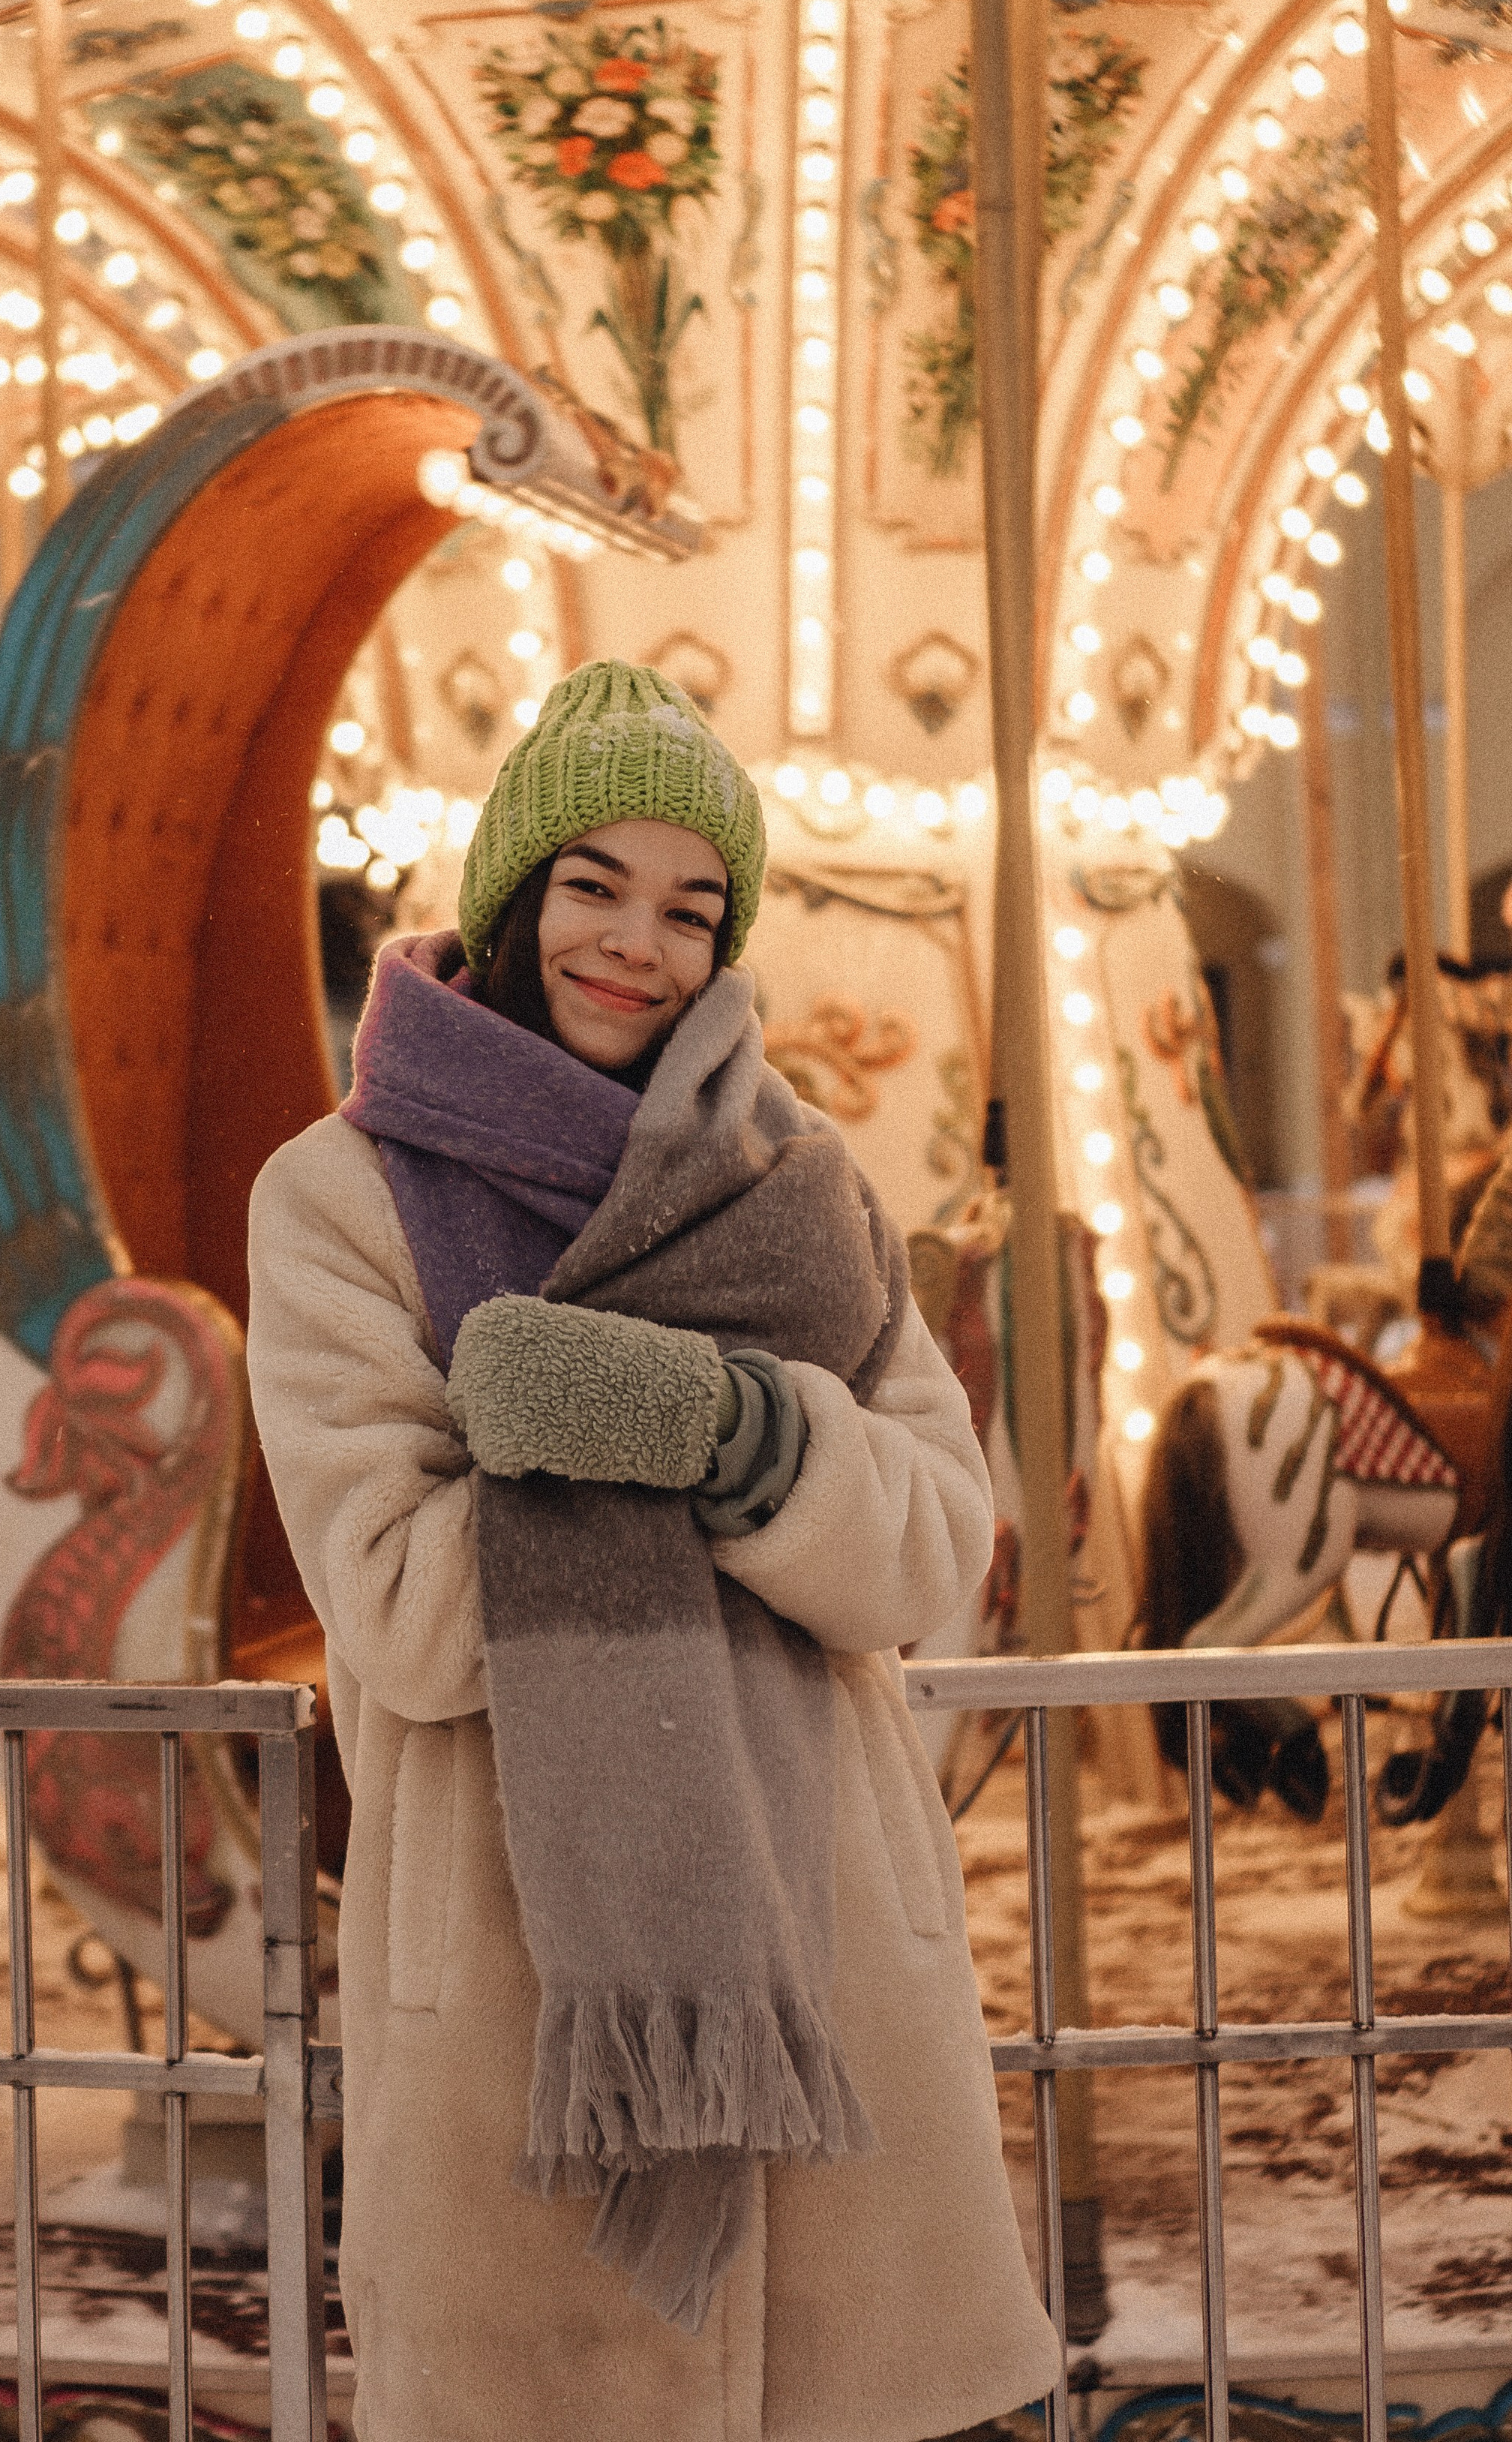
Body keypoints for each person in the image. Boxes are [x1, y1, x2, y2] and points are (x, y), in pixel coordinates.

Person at [246, 659, 1060, 2442]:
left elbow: (929, 1554)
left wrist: (717, 1428)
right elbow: (395, 1608)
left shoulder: (807, 1191)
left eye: (690, 909)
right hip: (517, 2009)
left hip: (825, 1986)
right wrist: (704, 1490)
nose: (636, 945)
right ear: (515, 896)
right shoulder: (340, 1197)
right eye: (594, 887)